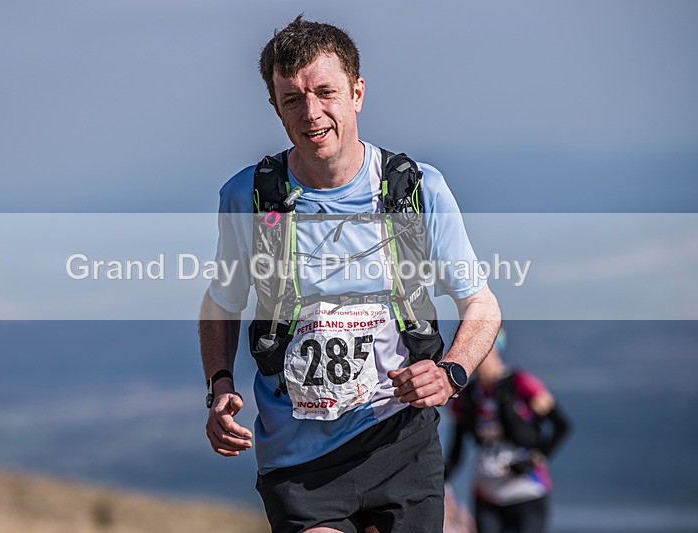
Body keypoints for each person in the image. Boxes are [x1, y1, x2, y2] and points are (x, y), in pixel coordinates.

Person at [199, 15, 501, 533]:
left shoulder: (416, 190)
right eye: (292, 99)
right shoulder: (248, 196)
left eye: (325, 93)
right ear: (275, 107)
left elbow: (481, 303)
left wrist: (450, 372)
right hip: (299, 459)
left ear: (357, 93)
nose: (311, 113)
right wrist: (219, 383)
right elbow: (221, 302)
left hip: (401, 440)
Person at [445, 328, 570, 533]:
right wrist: (437, 481)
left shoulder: (521, 383)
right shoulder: (466, 396)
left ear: (495, 350)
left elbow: (561, 426)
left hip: (527, 491)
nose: (478, 359)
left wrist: (535, 458)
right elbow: (455, 451)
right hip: (487, 494)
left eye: (483, 351)